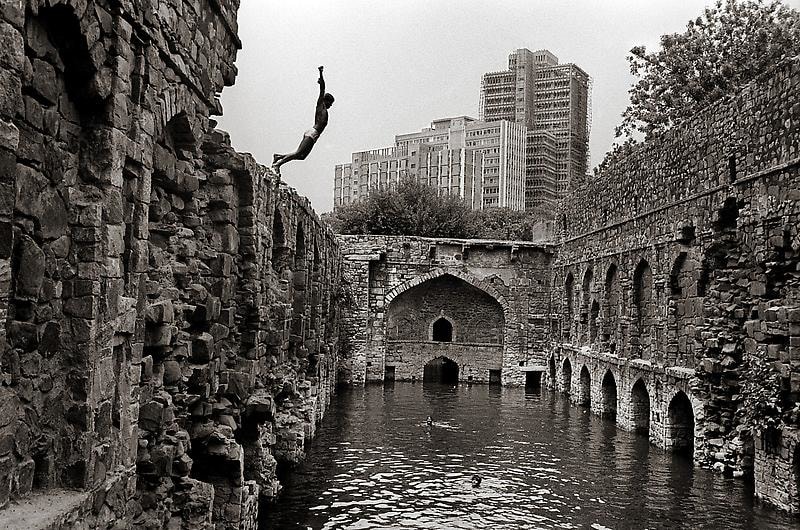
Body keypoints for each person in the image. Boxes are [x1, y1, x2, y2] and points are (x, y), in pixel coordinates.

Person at [272, 66, 334, 172]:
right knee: (298, 152)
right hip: (312, 132)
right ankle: (278, 164)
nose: (331, 105)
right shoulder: (321, 105)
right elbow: (322, 88)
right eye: (330, 103)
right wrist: (320, 73)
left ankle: (279, 156)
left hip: (314, 136)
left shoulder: (325, 110)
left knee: (302, 156)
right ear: (326, 101)